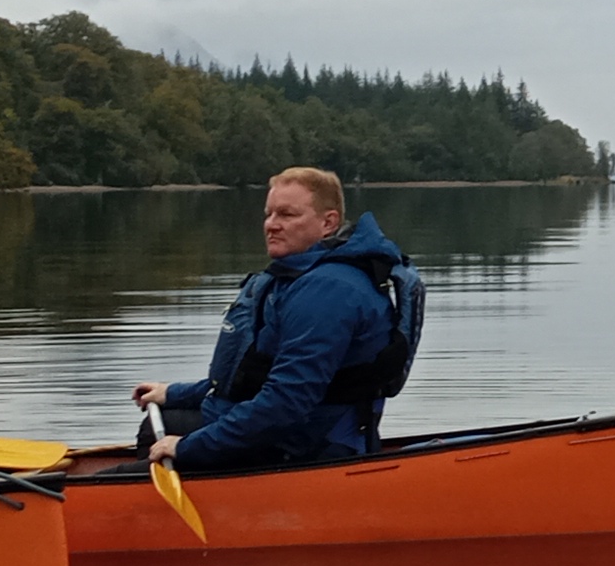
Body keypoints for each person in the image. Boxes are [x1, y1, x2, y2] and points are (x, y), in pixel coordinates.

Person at [133, 166, 423, 474]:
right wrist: (173, 392)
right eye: (269, 214)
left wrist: (188, 447)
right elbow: (254, 375)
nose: (271, 225)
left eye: (286, 215)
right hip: (289, 432)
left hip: (308, 446)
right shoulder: (297, 275)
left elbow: (286, 402)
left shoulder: (329, 290)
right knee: (162, 421)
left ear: (328, 223)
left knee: (151, 447)